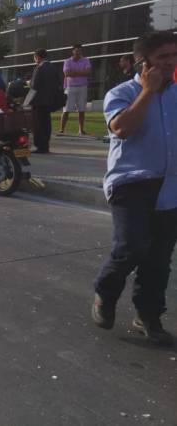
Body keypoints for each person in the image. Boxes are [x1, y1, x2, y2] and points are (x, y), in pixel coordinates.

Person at [91, 31, 177, 347]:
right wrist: (148, 92)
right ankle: (105, 291)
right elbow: (123, 128)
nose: (170, 62)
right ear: (144, 62)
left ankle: (148, 316)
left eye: (174, 55)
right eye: (163, 57)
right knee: (133, 246)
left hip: (170, 187)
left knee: (158, 258)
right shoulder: (121, 93)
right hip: (131, 183)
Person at [29, 48, 62, 153]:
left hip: (38, 101)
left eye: (34, 58)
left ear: (37, 57)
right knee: (47, 124)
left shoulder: (39, 68)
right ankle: (45, 145)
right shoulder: (53, 68)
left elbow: (34, 86)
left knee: (38, 125)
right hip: (50, 100)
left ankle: (40, 146)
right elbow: (58, 83)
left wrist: (27, 101)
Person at [59, 44, 92, 135]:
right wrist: (82, 72)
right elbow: (67, 73)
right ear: (73, 51)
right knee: (66, 110)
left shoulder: (86, 60)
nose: (78, 52)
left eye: (79, 51)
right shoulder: (67, 61)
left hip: (82, 87)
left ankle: (81, 130)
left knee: (81, 110)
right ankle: (62, 129)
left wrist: (74, 72)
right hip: (70, 87)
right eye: (76, 50)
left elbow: (88, 72)